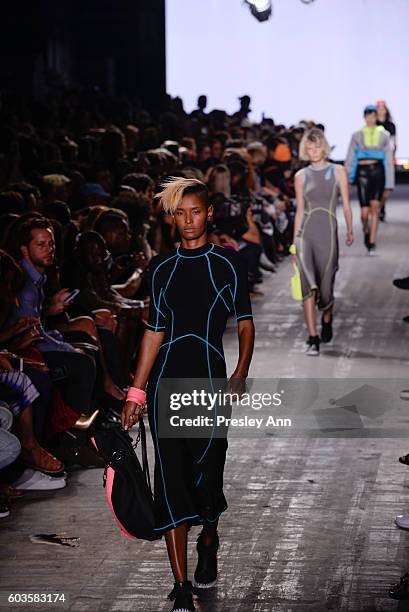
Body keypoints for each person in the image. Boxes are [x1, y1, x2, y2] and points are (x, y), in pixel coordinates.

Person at [121, 177, 255, 612]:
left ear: (209, 212)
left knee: (209, 472)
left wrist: (240, 371)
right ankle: (180, 587)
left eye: (195, 211)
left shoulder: (228, 265)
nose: (188, 220)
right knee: (172, 481)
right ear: (172, 217)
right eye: (180, 213)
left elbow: (246, 323)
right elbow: (153, 332)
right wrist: (136, 393)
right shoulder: (161, 269)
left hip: (211, 382)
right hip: (165, 386)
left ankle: (210, 533)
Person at [292, 128, 353, 355]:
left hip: (328, 232)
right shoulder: (300, 176)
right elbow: (299, 211)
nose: (314, 151)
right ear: (305, 150)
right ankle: (312, 337)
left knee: (326, 289)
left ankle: (327, 316)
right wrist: (293, 244)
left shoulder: (338, 171)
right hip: (305, 235)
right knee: (309, 287)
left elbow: (346, 204)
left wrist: (349, 231)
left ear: (324, 147)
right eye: (309, 147)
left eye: (317, 146)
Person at [345, 105, 394, 254]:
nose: (371, 119)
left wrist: (389, 183)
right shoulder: (357, 135)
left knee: (374, 208)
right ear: (364, 117)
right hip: (362, 173)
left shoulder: (384, 135)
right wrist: (347, 178)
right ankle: (366, 231)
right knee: (364, 213)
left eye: (373, 116)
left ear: (376, 118)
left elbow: (388, 159)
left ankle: (372, 243)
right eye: (368, 116)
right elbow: (350, 157)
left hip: (378, 172)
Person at [376, 101, 397, 221]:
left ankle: (380, 206)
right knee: (379, 185)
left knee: (388, 187)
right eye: (378, 108)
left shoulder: (390, 125)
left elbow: (394, 142)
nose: (380, 111)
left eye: (382, 108)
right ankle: (380, 209)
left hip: (388, 157)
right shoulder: (373, 124)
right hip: (376, 158)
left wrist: (393, 155)